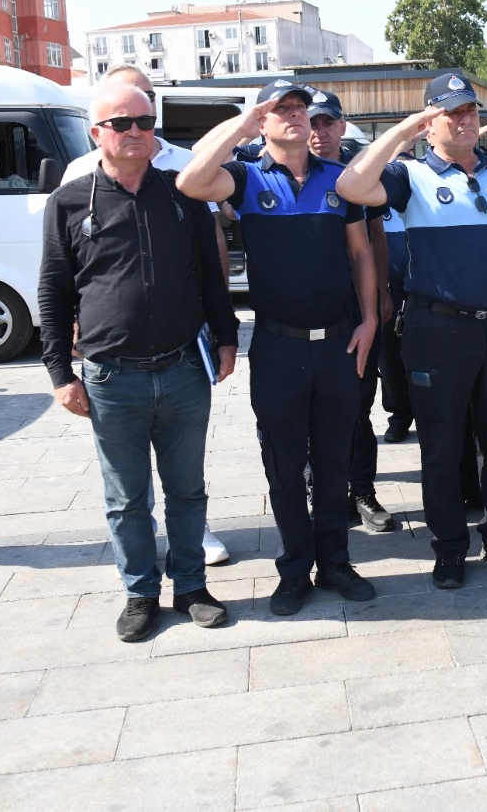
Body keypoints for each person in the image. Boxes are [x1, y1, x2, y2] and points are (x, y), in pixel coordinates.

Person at [40, 83, 239, 641]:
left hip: (181, 370)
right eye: (122, 123)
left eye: (145, 122)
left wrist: (226, 340)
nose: (136, 132)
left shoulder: (182, 196)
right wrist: (60, 373)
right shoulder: (71, 201)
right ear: (96, 133)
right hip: (110, 377)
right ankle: (139, 593)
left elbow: (210, 276)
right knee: (126, 498)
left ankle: (192, 586)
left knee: (188, 488)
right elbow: (53, 292)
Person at [176, 80, 380, 614]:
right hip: (277, 347)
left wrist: (372, 319)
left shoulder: (340, 180)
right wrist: (244, 122)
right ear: (263, 122)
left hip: (338, 342)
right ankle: (294, 569)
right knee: (284, 467)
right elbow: (193, 178)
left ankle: (335, 560)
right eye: (281, 109)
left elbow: (361, 255)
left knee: (335, 462)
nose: (295, 117)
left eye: (301, 110)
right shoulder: (244, 178)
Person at [337, 74, 487, 590]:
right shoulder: (410, 176)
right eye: (451, 112)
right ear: (432, 123)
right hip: (437, 330)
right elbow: (352, 186)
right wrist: (407, 128)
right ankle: (449, 547)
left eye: (471, 110)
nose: (466, 119)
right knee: (442, 446)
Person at [301, 88, 397, 534]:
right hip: (303, 316)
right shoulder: (288, 170)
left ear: (342, 126)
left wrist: (376, 300)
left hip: (352, 311)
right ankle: (316, 489)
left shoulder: (358, 173)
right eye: (313, 123)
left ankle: (362, 491)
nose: (319, 133)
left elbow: (374, 239)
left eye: (328, 123)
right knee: (305, 410)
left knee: (358, 406)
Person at [378, 148, 415, 445]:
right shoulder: (380, 198)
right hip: (391, 287)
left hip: (424, 289)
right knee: (390, 359)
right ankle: (399, 416)